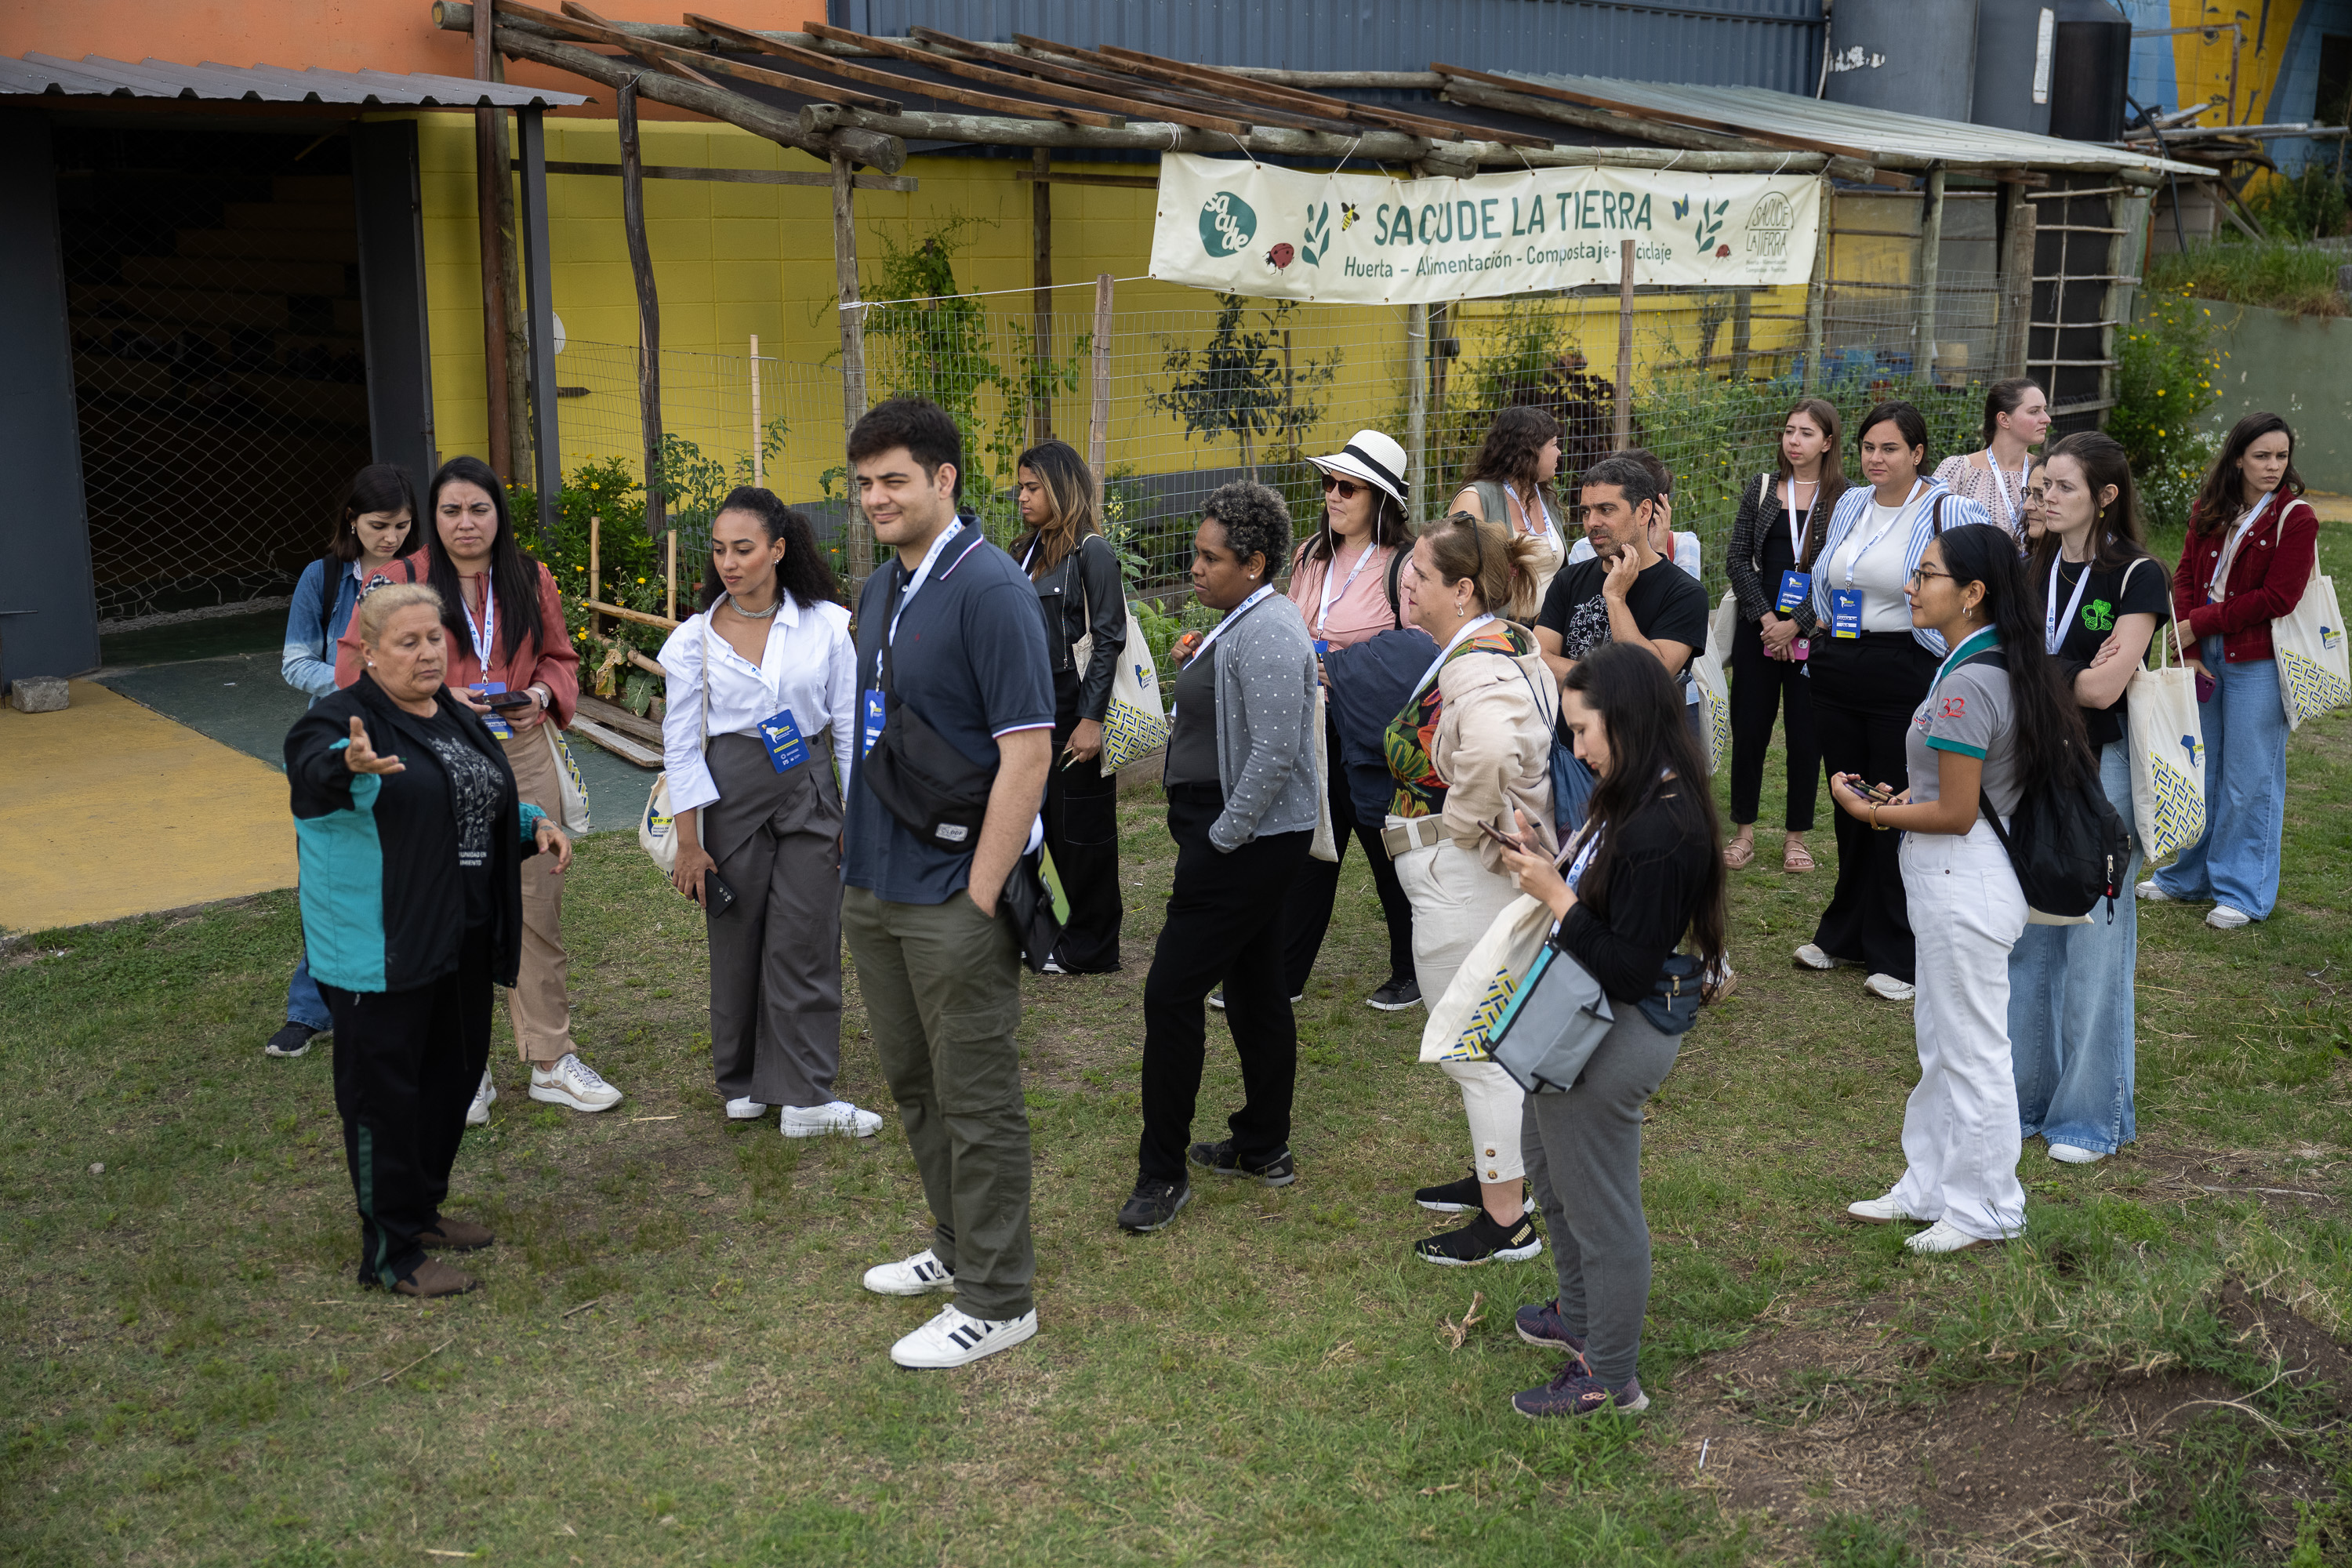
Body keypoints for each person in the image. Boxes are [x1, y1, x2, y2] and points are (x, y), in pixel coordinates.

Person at [842, 397, 1055, 1370]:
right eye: (862, 483)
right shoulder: (883, 587)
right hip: (878, 881)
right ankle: (957, 1244)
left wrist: (981, 890)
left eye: (893, 479)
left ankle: (999, 1296)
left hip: (951, 896)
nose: (875, 497)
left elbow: (1028, 753)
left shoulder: (991, 589)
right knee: (915, 1083)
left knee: (975, 1096)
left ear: (944, 480)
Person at [287, 582, 572, 1298]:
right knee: (385, 1095)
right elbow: (314, 772)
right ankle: (389, 1253)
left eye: (434, 639)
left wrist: (528, 820)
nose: (425, 653)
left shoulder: (451, 710)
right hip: (378, 945)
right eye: (407, 642)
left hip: (460, 935)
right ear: (369, 654)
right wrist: (345, 766)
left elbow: (473, 792)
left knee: (449, 1078)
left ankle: (422, 1211)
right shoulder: (339, 722)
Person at [336, 456, 614, 1122]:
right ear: (432, 517)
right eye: (452, 510)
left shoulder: (527, 576)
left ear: (499, 514)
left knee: (535, 907)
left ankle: (550, 1058)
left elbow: (559, 657)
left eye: (479, 509)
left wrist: (541, 693)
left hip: (519, 751)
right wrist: (433, 692)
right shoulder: (399, 580)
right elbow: (353, 667)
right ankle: (465, 1068)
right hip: (431, 754)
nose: (466, 523)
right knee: (445, 909)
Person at [1834, 524, 2085, 1254]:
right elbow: (1954, 789)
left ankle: (1988, 1207)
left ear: (1973, 594)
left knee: (1972, 1049)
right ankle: (1931, 1186)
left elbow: (1955, 810)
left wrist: (1872, 810)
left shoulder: (1970, 679)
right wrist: (1902, 793)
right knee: (1941, 1043)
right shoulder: (1982, 663)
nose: (1912, 587)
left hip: (1962, 875)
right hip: (1961, 871)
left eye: (1928, 575)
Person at [1493, 641, 1726, 1417]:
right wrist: (1546, 863)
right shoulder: (1633, 793)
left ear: (1625, 722)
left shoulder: (1665, 825)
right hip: (1582, 1011)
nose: (1577, 746)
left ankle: (1611, 1376)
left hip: (1617, 1024)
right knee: (1548, 1168)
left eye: (1586, 730)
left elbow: (1627, 966)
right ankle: (1581, 1317)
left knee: (1601, 1207)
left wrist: (1556, 895)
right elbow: (1604, 904)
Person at [1120, 482, 1322, 1235]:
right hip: (1239, 836)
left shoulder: (1269, 629)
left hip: (1246, 841)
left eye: (1210, 558)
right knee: (1255, 986)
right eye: (1196, 554)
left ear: (1255, 562)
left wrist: (1221, 838)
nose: (1194, 569)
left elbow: (1273, 753)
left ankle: (1160, 1173)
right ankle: (1264, 1145)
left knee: (1171, 995)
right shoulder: (1244, 618)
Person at [658, 488, 880, 1137]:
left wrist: (854, 815)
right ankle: (744, 1082)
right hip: (730, 799)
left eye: (745, 549)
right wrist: (692, 844)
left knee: (806, 936)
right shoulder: (692, 642)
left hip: (810, 791)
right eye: (720, 550)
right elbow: (681, 745)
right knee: (737, 937)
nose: (730, 563)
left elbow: (848, 725)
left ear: (778, 550)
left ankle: (807, 1095)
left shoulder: (826, 626)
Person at [1386, 510, 1557, 1265]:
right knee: (1490, 1037)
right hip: (1468, 874)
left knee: (1474, 1045)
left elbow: (1488, 749)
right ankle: (1505, 1182)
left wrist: (1459, 830)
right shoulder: (1497, 643)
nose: (1407, 582)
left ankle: (1506, 1223)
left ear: (1461, 590)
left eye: (1419, 574)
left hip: (1462, 876)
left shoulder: (1475, 664)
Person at [1797, 402, 1990, 1003]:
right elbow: (1828, 574)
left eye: (1889, 449)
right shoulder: (1852, 502)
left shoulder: (1947, 508)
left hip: (1905, 666)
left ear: (1917, 453)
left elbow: (1987, 571)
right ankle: (1844, 934)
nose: (1875, 459)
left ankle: (1897, 950)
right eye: (1867, 448)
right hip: (1839, 663)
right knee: (1848, 800)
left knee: (1893, 803)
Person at [2009, 433, 2166, 1167]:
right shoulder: (2031, 563)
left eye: (2062, 488)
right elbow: (2006, 659)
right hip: (2035, 763)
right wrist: (2063, 670)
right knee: (2030, 933)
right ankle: (2025, 1100)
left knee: (2096, 941)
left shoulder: (2138, 575)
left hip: (2100, 769)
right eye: (2042, 486)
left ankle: (2088, 1117)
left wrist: (2041, 670)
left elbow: (2105, 689)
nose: (2045, 498)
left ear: (2105, 497)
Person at [2142, 412, 2318, 929]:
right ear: (2238, 457)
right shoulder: (2211, 508)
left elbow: (2279, 598)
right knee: (2201, 768)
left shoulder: (2295, 517)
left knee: (2250, 779)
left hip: (2257, 662)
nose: (2273, 466)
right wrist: (2188, 649)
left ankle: (2242, 892)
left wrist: (2201, 622)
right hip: (2205, 653)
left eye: (2281, 456)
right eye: (2262, 456)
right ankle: (2189, 876)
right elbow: (2186, 576)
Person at [266, 464, 416, 1059]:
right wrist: (359, 682)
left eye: (403, 526)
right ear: (352, 520)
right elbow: (295, 663)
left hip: (406, 740)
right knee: (328, 878)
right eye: (379, 526)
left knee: (405, 871)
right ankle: (309, 1009)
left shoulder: (420, 575)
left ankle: (395, 992)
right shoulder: (322, 579)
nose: (391, 539)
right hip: (333, 743)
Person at [1276, 426, 1420, 1011]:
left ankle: (1411, 970)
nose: (1332, 496)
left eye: (1347, 488)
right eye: (1329, 484)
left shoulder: (1405, 567)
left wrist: (1336, 663)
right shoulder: (1310, 555)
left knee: (1386, 848)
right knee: (1313, 849)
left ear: (1380, 501)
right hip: (1311, 726)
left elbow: (1417, 651)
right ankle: (1283, 976)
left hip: (1370, 732)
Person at [1009, 438, 1128, 975]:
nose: (1023, 497)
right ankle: (1048, 930)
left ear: (1061, 487)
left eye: (1033, 487)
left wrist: (1091, 719)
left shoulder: (1092, 552)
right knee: (1038, 828)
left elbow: (1108, 639)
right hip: (1030, 714)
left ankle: (1094, 945)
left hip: (1074, 710)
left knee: (1083, 831)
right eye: (1020, 488)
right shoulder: (1024, 552)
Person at [1722, 399, 1844, 876]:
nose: (1794, 441)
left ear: (1827, 442)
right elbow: (1736, 558)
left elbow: (1839, 573)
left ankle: (1797, 839)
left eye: (1806, 433)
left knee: (1805, 735)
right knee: (1750, 730)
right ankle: (1743, 833)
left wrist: (1798, 624)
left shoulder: (1844, 498)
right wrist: (1768, 621)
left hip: (1813, 633)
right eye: (1790, 431)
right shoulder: (1762, 489)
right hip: (1760, 632)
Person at [1536, 455, 1710, 693]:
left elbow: (1649, 675)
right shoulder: (1568, 580)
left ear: (1643, 512)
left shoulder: (1684, 593)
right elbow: (1539, 658)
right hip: (1567, 730)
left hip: (1641, 730)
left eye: (1606, 510)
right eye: (1586, 512)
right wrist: (1611, 681)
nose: (1592, 522)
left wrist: (1616, 599)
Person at [1449, 405, 1568, 600]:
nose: (1559, 452)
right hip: (1501, 624)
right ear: (1530, 451)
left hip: (1549, 626)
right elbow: (1456, 568)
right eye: (1554, 444)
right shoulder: (1475, 498)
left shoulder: (1546, 497)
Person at [1932, 377, 2049, 544]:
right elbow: (1930, 531)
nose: (2047, 418)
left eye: (2044, 410)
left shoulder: (2046, 471)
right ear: (2004, 419)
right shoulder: (1958, 470)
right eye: (2034, 411)